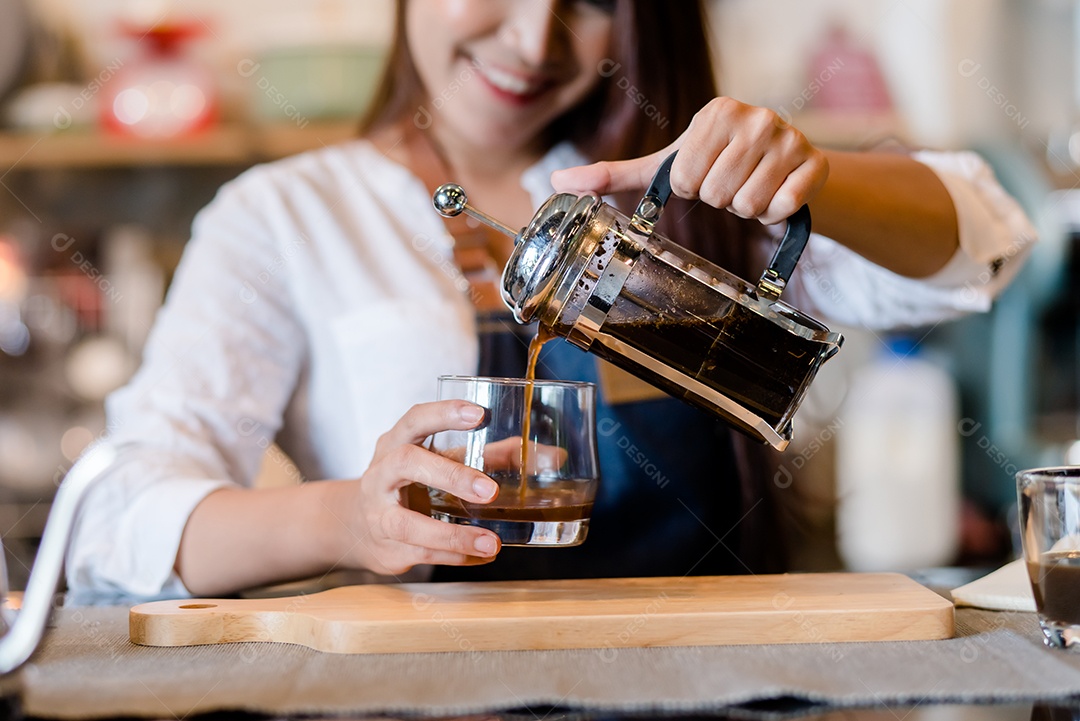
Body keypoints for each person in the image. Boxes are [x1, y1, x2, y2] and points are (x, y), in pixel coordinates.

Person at [66, 0, 1035, 601]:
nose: (534, 37)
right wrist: (343, 521)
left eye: (588, 0)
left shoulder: (669, 192)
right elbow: (117, 522)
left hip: (728, 680)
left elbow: (984, 241)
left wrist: (817, 173)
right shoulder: (288, 215)